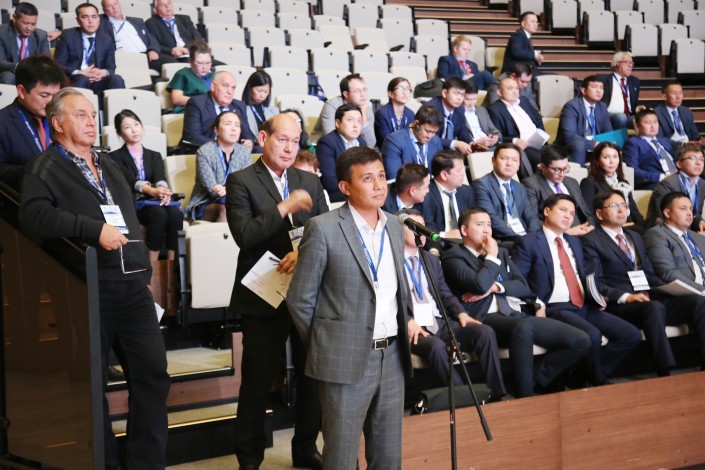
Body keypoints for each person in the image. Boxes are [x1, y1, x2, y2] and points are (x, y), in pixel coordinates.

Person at [19, 88, 170, 469]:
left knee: (153, 376)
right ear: (57, 123)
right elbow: (33, 216)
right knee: (91, 387)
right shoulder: (45, 166)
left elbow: (129, 213)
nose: (92, 121)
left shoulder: (109, 162)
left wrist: (143, 268)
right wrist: (91, 229)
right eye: (81, 115)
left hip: (133, 285)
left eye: (92, 114)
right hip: (86, 288)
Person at [288, 146, 411, 469]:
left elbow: (396, 291)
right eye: (367, 179)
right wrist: (326, 345)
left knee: (388, 457)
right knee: (341, 456)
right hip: (343, 358)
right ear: (345, 187)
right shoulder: (323, 228)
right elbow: (300, 299)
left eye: (381, 176)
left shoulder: (395, 226)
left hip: (392, 357)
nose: (379, 185)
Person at [227, 114, 328, 470]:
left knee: (312, 378)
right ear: (263, 138)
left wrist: (304, 252)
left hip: (307, 294)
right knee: (257, 382)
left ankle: (305, 449)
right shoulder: (241, 180)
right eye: (282, 139)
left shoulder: (308, 180)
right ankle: (249, 459)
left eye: (295, 141)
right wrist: (286, 206)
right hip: (264, 293)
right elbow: (245, 235)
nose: (289, 148)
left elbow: (328, 229)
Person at [441, 207, 591, 398]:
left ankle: (529, 381)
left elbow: (523, 286)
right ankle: (525, 394)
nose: (487, 230)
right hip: (483, 318)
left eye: (489, 225)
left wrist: (496, 287)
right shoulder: (454, 256)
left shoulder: (502, 253)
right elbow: (479, 285)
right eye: (480, 225)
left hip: (515, 314)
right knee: (523, 327)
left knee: (581, 340)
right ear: (464, 230)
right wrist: (491, 257)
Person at [512, 194, 641, 386]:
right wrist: (536, 304)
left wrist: (596, 297)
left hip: (584, 305)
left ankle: (579, 375)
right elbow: (518, 281)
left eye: (572, 213)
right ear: (546, 211)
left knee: (631, 335)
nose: (568, 216)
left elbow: (587, 276)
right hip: (554, 307)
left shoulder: (575, 242)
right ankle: (596, 381)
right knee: (592, 335)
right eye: (563, 210)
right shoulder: (528, 242)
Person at [583, 189, 705, 376]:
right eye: (614, 206)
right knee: (654, 307)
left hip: (648, 295)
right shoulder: (591, 240)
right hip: (620, 304)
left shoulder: (635, 236)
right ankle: (666, 370)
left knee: (697, 301)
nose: (622, 210)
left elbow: (648, 274)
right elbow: (594, 281)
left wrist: (669, 288)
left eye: (624, 205)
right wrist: (626, 297)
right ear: (599, 213)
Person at [400, 208, 506, 398]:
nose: (419, 231)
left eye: (422, 226)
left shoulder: (431, 259)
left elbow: (445, 294)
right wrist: (407, 321)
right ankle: (465, 398)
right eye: (413, 227)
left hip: (439, 322)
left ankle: (498, 394)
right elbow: (387, 300)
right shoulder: (390, 261)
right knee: (436, 347)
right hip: (412, 326)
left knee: (484, 332)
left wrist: (461, 314)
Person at [110, 109, 183, 261]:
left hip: (153, 201)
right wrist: (152, 191)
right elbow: (130, 181)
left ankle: (172, 265)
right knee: (159, 213)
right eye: (127, 127)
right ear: (119, 132)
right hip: (133, 204)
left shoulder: (154, 155)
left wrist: (163, 191)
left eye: (136, 124)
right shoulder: (114, 157)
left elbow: (160, 177)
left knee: (176, 214)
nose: (134, 130)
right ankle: (152, 265)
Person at [0, 55, 64, 187]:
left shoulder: (60, 119)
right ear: (22, 91)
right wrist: (34, 172)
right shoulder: (3, 122)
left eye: (55, 96)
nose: (51, 102)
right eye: (44, 95)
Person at [185, 110, 252, 221]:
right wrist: (231, 191)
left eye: (237, 125)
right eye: (228, 124)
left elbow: (247, 184)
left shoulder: (244, 152)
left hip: (237, 200)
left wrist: (229, 190)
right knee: (226, 208)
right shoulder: (204, 152)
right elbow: (212, 190)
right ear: (216, 130)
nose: (233, 129)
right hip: (207, 202)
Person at [473, 143, 542, 244]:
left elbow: (531, 216)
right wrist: (522, 239)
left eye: (514, 160)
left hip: (525, 236)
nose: (509, 163)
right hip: (504, 239)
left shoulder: (520, 187)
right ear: (493, 161)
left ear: (519, 165)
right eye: (504, 158)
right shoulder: (481, 185)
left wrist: (532, 237)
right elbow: (491, 218)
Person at [54, 3, 125, 96]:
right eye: (85, 17)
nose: (90, 21)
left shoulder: (106, 39)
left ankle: (121, 106)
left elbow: (111, 68)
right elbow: (57, 65)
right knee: (82, 78)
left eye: (94, 17)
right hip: (75, 79)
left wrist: (102, 72)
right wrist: (79, 72)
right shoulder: (68, 36)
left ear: (99, 19)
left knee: (117, 79)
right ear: (78, 20)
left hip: (97, 80)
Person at [523, 145, 595, 232]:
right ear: (543, 167)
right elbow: (532, 221)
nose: (562, 174)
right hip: (556, 234)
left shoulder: (572, 182)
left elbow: (587, 212)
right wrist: (566, 232)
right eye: (557, 169)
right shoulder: (531, 185)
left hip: (583, 230)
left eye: (565, 168)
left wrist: (590, 226)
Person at [644, 192, 705, 294]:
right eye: (683, 209)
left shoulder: (698, 237)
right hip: (688, 293)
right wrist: (702, 290)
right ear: (667, 213)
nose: (689, 213)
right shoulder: (656, 235)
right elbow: (668, 273)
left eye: (690, 209)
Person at [580, 142, 646, 233]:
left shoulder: (623, 183)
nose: (612, 161)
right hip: (607, 229)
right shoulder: (589, 182)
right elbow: (590, 214)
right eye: (606, 157)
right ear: (597, 160)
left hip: (629, 226)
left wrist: (643, 227)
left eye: (615, 157)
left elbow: (634, 212)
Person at [181, 70, 256, 148]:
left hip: (234, 151)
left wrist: (249, 142)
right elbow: (192, 137)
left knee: (258, 150)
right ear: (213, 86)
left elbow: (247, 135)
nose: (230, 92)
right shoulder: (197, 103)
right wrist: (222, 146)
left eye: (233, 88)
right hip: (204, 150)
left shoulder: (239, 106)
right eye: (225, 86)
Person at [488, 77, 545, 177]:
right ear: (499, 92)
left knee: (561, 156)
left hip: (539, 142)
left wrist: (542, 134)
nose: (515, 92)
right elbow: (498, 136)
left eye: (517, 88)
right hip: (523, 147)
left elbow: (537, 118)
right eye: (510, 88)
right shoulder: (494, 109)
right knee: (544, 160)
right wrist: (515, 141)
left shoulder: (524, 101)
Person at [99, 0, 173, 74]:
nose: (114, 7)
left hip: (146, 56)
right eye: (109, 6)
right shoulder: (101, 24)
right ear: (104, 10)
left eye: (115, 4)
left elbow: (151, 38)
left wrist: (153, 50)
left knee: (171, 63)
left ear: (119, 5)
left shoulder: (136, 21)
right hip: (126, 59)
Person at [555, 75, 613, 165]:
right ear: (583, 90)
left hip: (594, 144)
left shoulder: (602, 106)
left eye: (601, 88)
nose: (599, 91)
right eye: (595, 87)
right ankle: (578, 173)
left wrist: (609, 142)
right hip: (571, 146)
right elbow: (569, 136)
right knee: (579, 145)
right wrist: (593, 144)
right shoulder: (571, 106)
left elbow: (608, 131)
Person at [646, 143, 705, 230]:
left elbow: (695, 213)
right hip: (665, 231)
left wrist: (700, 222)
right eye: (692, 158)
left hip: (689, 230)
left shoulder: (702, 184)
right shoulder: (666, 185)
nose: (698, 163)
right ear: (679, 164)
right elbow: (662, 219)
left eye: (701, 159)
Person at [317, 103, 367, 202]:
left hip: (359, 190)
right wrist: (358, 187)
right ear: (338, 123)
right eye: (350, 120)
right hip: (338, 194)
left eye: (359, 121)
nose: (355, 125)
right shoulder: (327, 143)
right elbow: (329, 182)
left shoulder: (361, 142)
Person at [310, 73, 376, 147]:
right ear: (346, 94)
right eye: (357, 91)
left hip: (353, 148)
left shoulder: (366, 109)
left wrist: (364, 118)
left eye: (364, 89)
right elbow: (330, 137)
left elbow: (371, 144)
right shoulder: (332, 105)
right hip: (321, 146)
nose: (363, 94)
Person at [421, 149, 475, 238]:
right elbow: (426, 229)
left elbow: (473, 220)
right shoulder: (425, 194)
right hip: (439, 242)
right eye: (459, 170)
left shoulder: (467, 191)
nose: (463, 174)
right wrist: (445, 235)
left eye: (463, 169)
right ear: (444, 175)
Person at [381, 105, 443, 178]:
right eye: (427, 131)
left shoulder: (436, 141)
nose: (430, 136)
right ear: (416, 124)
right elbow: (395, 178)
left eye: (434, 132)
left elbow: (440, 172)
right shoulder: (394, 141)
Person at [623, 108, 676, 190]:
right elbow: (632, 170)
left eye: (655, 122)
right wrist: (662, 177)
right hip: (657, 183)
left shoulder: (665, 141)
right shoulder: (633, 143)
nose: (653, 126)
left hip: (677, 179)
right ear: (637, 126)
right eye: (648, 123)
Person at [0, 2, 51, 85]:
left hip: (33, 73)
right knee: (8, 77)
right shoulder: (2, 33)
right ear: (14, 18)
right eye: (25, 23)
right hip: (10, 72)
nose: (29, 28)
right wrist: (21, 67)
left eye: (33, 24)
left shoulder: (41, 35)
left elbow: (46, 62)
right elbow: (1, 62)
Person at [425, 77, 473, 155]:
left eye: (462, 95)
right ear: (444, 93)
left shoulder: (460, 109)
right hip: (431, 150)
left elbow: (463, 131)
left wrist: (472, 144)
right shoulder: (430, 109)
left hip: (451, 153)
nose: (459, 98)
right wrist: (454, 143)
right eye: (456, 93)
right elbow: (429, 137)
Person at [165, 41, 213, 113]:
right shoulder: (183, 74)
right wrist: (201, 102)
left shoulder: (213, 76)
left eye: (208, 63)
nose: (204, 67)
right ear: (191, 61)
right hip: (189, 110)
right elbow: (176, 98)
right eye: (200, 63)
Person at [598, 52, 641, 130]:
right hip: (609, 115)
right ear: (616, 64)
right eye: (627, 62)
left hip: (629, 116)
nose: (630, 65)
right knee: (621, 117)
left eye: (632, 63)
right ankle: (620, 138)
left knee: (644, 119)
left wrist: (638, 108)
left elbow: (633, 104)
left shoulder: (635, 81)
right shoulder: (604, 80)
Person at [655, 81, 702, 147]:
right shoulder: (657, 113)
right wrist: (682, 144)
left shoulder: (686, 112)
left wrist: (699, 141)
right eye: (674, 94)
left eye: (680, 93)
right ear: (664, 96)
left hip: (689, 146)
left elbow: (695, 136)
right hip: (672, 147)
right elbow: (660, 140)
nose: (678, 97)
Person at [374, 76, 416, 145]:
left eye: (408, 89)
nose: (405, 92)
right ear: (391, 94)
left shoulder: (410, 114)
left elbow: (412, 138)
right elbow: (386, 139)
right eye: (400, 89)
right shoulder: (382, 114)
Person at [241, 70, 279, 143]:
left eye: (266, 92)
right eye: (259, 91)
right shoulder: (241, 109)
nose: (262, 95)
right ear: (250, 88)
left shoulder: (274, 110)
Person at [462, 80, 500, 151]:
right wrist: (476, 142)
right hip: (472, 148)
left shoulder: (481, 110)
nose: (471, 103)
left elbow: (494, 130)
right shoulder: (456, 113)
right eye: (468, 99)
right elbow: (458, 138)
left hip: (490, 146)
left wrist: (495, 137)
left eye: (474, 99)